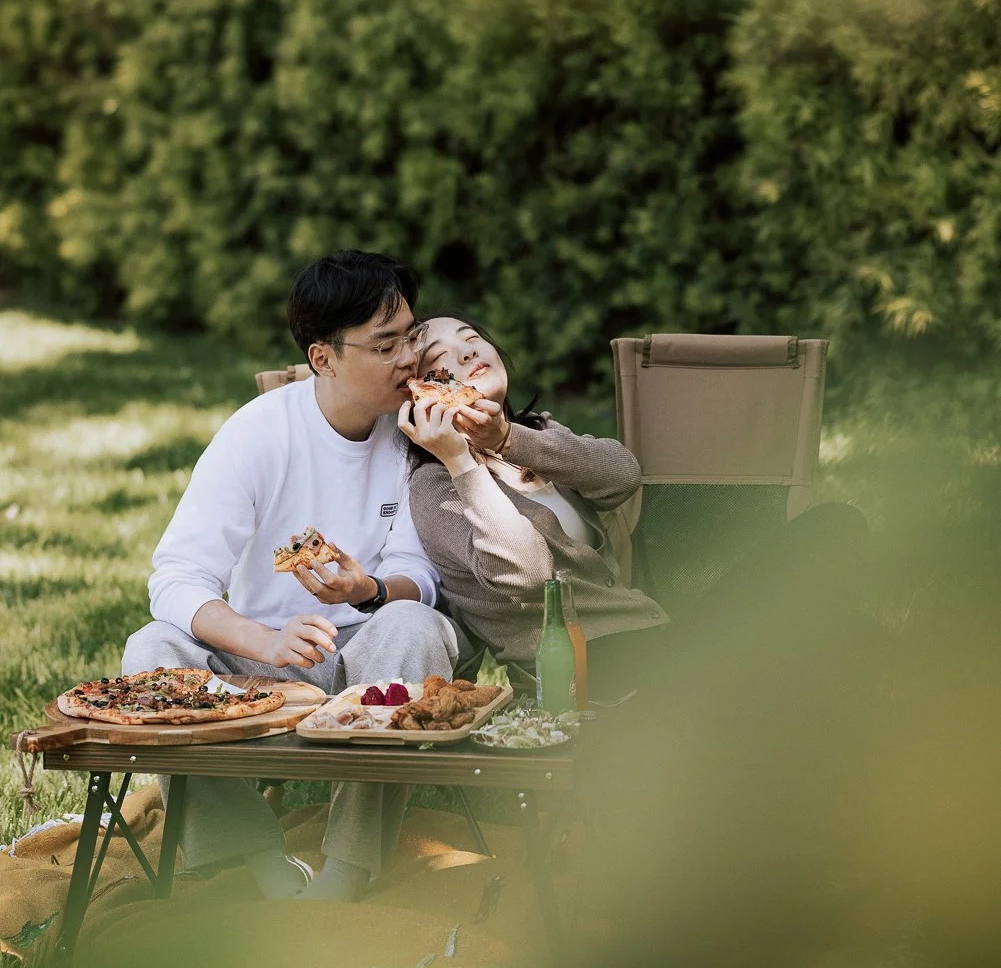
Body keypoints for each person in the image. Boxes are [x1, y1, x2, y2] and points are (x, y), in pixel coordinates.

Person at [123, 251, 457, 901]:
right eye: (385, 344)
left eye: (410, 337)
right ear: (322, 357)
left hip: (371, 658)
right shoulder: (257, 436)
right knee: (149, 651)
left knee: (414, 626)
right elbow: (176, 579)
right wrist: (266, 642)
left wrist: (369, 589)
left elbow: (421, 574)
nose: (407, 359)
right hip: (260, 666)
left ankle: (347, 871)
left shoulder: (415, 432)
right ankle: (260, 865)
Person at [401, 317, 867, 698]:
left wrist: (508, 438)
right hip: (588, 676)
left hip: (655, 642)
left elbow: (621, 476)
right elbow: (524, 575)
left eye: (473, 339)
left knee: (832, 530)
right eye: (441, 359)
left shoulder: (536, 433)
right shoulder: (437, 485)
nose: (466, 353)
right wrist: (461, 459)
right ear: (422, 394)